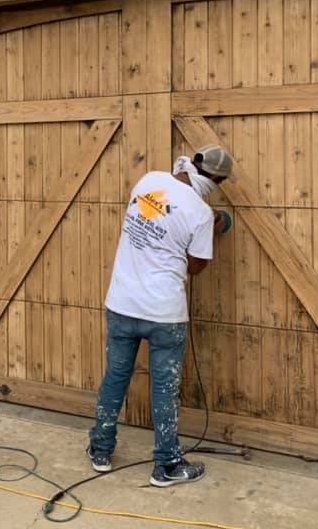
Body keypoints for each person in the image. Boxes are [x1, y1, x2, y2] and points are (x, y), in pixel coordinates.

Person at [86, 144, 234, 487]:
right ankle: (167, 464)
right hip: (164, 314)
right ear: (215, 180)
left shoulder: (149, 180)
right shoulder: (200, 212)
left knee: (115, 377)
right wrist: (212, 229)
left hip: (122, 303)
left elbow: (159, 218)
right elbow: (196, 267)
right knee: (165, 390)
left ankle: (101, 450)